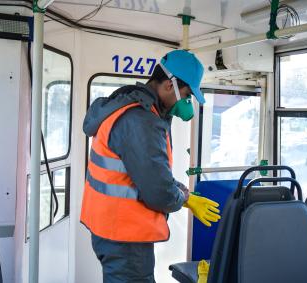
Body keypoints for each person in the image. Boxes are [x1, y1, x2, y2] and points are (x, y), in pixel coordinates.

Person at [80, 50, 220, 283]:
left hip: (112, 230)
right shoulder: (141, 120)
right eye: (186, 96)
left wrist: (186, 195)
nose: (186, 104)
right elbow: (158, 192)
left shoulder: (131, 108)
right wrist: (183, 199)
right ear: (168, 85)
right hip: (124, 238)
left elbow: (146, 173)